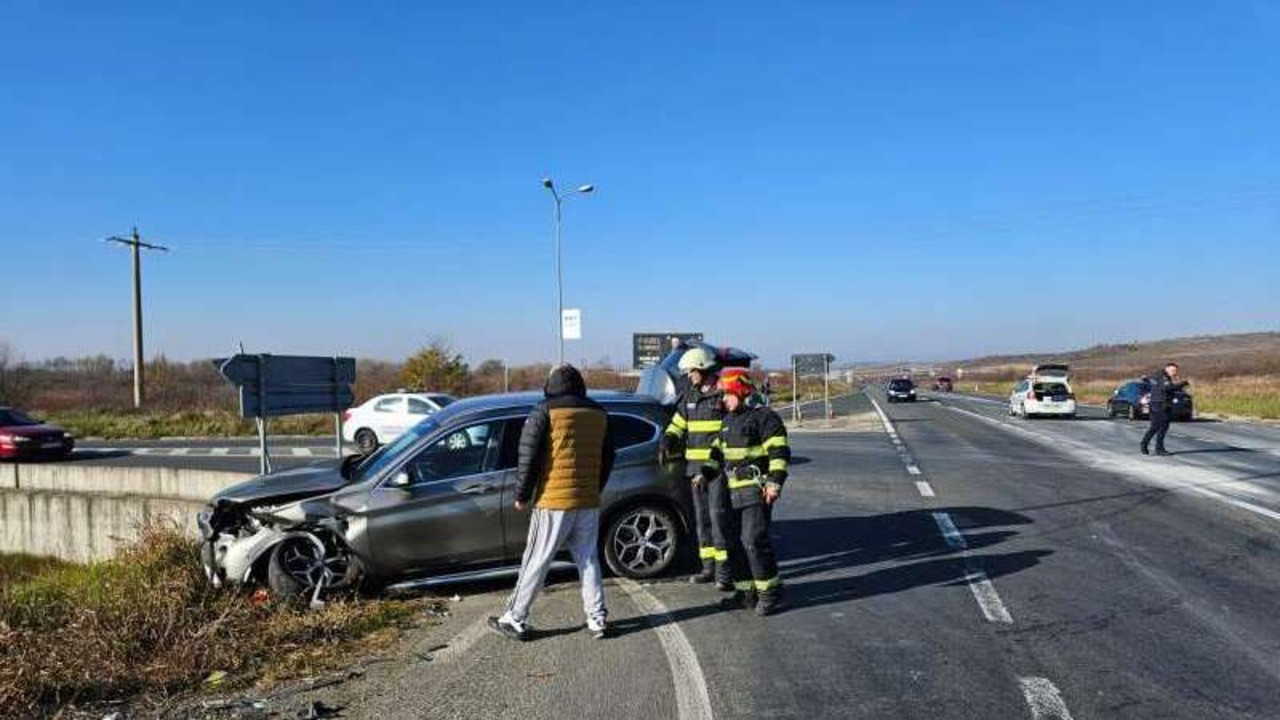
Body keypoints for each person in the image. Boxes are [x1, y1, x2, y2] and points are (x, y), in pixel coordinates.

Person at [489, 365, 615, 641]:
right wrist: (595, 488)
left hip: (553, 499)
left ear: (550, 384)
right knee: (588, 559)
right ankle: (597, 619)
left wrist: (521, 494)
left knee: (536, 559)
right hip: (587, 499)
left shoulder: (544, 411)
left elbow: (529, 455)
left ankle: (515, 617)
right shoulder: (599, 412)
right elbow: (608, 457)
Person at [707, 367, 791, 616]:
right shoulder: (728, 421)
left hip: (756, 489)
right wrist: (704, 474)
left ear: (740, 392)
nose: (723, 400)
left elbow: (779, 452)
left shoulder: (765, 417)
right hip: (732, 492)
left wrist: (774, 482)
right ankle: (746, 592)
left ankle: (770, 593)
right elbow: (717, 453)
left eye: (727, 394)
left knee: (753, 541)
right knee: (734, 543)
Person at [660, 347, 731, 588]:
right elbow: (678, 424)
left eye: (692, 371)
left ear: (703, 368)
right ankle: (708, 567)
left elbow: (730, 432)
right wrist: (668, 438)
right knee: (702, 521)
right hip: (694, 471)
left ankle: (724, 572)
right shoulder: (690, 396)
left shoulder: (723, 396)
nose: (689, 375)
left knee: (718, 518)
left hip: (717, 470)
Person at [1141, 362, 1188, 456]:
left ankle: (1145, 444)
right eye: (1173, 370)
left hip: (1156, 403)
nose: (1175, 373)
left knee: (1155, 426)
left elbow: (1147, 380)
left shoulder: (1156, 375)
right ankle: (1158, 449)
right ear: (1167, 369)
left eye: (1176, 371)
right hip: (1160, 404)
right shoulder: (1163, 376)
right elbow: (1168, 388)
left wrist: (1146, 379)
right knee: (1162, 426)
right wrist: (1182, 384)